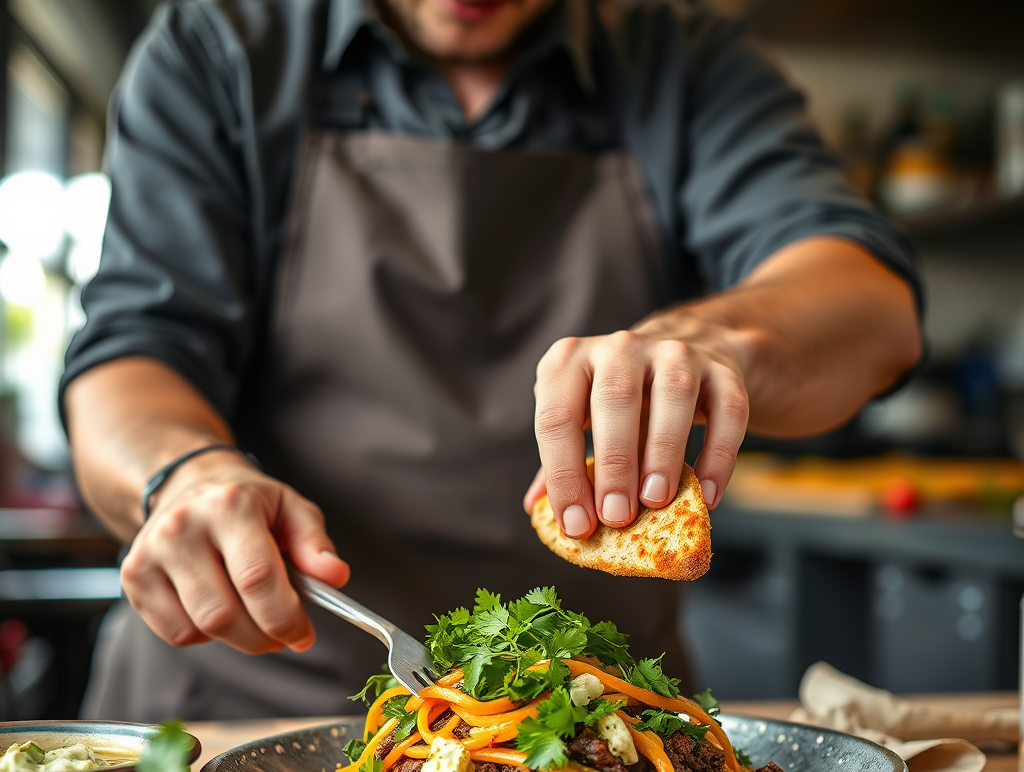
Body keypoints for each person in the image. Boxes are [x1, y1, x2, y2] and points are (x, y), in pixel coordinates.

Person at [61, 0, 921, 721]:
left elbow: (873, 310)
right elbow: (132, 353)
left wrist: (719, 339)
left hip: (595, 718)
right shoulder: (222, 48)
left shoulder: (687, 63)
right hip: (249, 711)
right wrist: (185, 474)